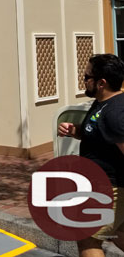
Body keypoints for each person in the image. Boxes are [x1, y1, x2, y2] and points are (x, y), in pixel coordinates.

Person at [58, 54, 124, 257]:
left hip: (107, 188)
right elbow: (98, 134)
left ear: (101, 82)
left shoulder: (114, 114)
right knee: (119, 233)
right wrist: (75, 131)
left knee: (88, 239)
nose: (84, 80)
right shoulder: (103, 103)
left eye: (87, 77)